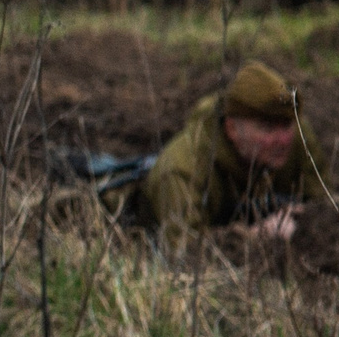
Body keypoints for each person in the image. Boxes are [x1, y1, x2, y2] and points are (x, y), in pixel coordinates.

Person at [126, 61, 328, 249]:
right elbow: (184, 252)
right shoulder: (182, 169)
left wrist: (301, 216)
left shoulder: (297, 138)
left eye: (286, 125)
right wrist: (254, 236)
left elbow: (326, 209)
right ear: (231, 129)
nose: (283, 139)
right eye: (267, 128)